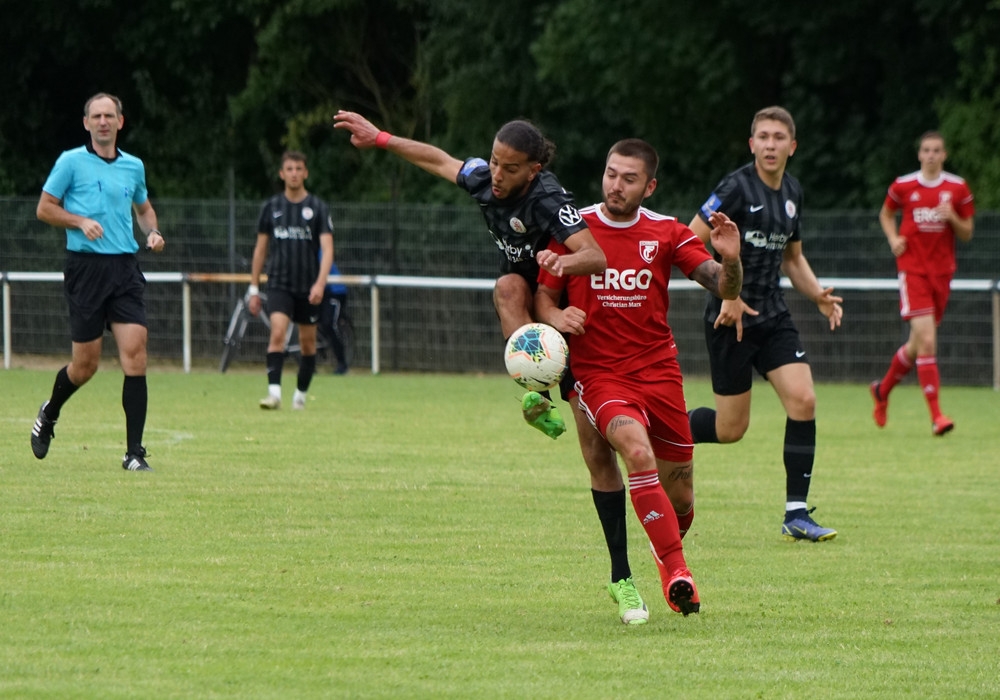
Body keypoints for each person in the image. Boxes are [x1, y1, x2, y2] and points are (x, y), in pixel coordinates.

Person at [535, 139, 744, 620]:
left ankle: (663, 546)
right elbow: (543, 299)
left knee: (682, 498)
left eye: (629, 179)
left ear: (649, 186)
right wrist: (557, 316)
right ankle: (677, 572)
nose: (616, 185)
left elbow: (721, 283)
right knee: (636, 451)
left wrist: (731, 260)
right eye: (611, 174)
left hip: (659, 372)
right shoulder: (573, 228)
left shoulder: (667, 232)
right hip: (599, 374)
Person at [333, 111, 606, 438]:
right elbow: (439, 161)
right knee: (507, 287)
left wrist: (563, 264)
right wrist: (380, 138)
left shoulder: (548, 199)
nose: (497, 176)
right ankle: (539, 399)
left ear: (533, 171)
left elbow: (595, 256)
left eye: (510, 169)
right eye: (494, 162)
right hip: (524, 293)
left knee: (593, 442)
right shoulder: (484, 179)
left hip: (566, 303)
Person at [686, 106, 843, 542]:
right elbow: (688, 242)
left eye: (779, 138)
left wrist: (817, 295)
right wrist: (728, 293)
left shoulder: (792, 191)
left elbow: (793, 258)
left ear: (792, 146)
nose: (771, 145)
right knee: (730, 429)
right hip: (728, 320)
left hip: (773, 316)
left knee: (804, 400)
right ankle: (661, 429)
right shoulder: (735, 188)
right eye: (763, 137)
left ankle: (797, 514)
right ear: (752, 144)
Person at [30, 92, 166, 471]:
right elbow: (44, 208)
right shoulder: (70, 162)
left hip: (124, 269)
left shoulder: (134, 166)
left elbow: (144, 209)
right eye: (96, 116)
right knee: (85, 366)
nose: (103, 122)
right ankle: (49, 412)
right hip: (85, 270)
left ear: (120, 122)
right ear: (86, 123)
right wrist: (79, 221)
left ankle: (134, 454)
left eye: (109, 116)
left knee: (135, 355)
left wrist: (153, 232)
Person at [870, 132, 974, 436]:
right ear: (919, 154)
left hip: (942, 274)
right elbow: (886, 214)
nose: (931, 155)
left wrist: (952, 217)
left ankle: (882, 390)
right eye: (926, 150)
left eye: (936, 150)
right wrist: (893, 239)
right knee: (928, 341)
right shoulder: (903, 185)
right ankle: (937, 416)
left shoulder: (957, 188)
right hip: (912, 271)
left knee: (917, 345)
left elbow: (967, 232)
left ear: (944, 155)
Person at [248, 150, 334, 410]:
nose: (294, 173)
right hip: (279, 284)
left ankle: (300, 396)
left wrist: (320, 283)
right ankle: (274, 394)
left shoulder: (318, 208)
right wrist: (254, 288)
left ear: (305, 173)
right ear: (282, 173)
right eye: (289, 169)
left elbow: (328, 249)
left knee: (308, 344)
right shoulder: (271, 207)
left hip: (308, 287)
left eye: (298, 169)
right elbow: (260, 250)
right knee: (277, 333)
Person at [319, 260, 351, 375]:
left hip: (335, 292)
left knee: (329, 324)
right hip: (320, 291)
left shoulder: (320, 253)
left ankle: (342, 362)